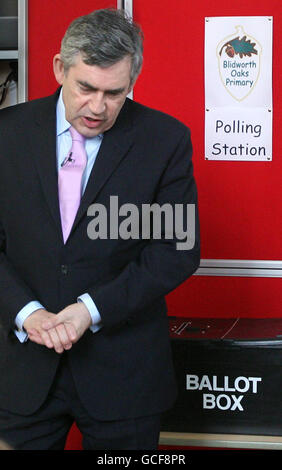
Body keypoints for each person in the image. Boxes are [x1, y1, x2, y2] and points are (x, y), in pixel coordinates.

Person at [0, 8, 200, 450]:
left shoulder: (165, 140)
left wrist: (89, 310)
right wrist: (26, 313)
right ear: (59, 68)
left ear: (131, 82)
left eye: (114, 93)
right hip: (20, 374)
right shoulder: (5, 135)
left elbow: (175, 250)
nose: (97, 107)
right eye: (85, 87)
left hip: (125, 377)